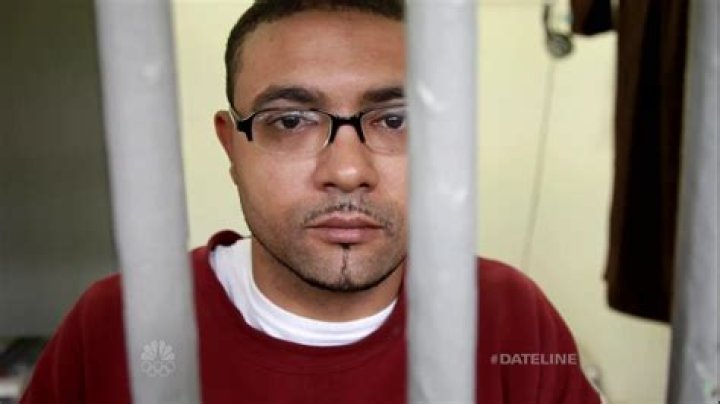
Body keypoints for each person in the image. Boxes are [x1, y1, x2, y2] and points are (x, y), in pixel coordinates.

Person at [21, 1, 601, 403]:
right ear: (232, 147)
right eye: (290, 121)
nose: (347, 171)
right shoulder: (121, 320)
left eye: (395, 120)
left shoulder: (509, 317)